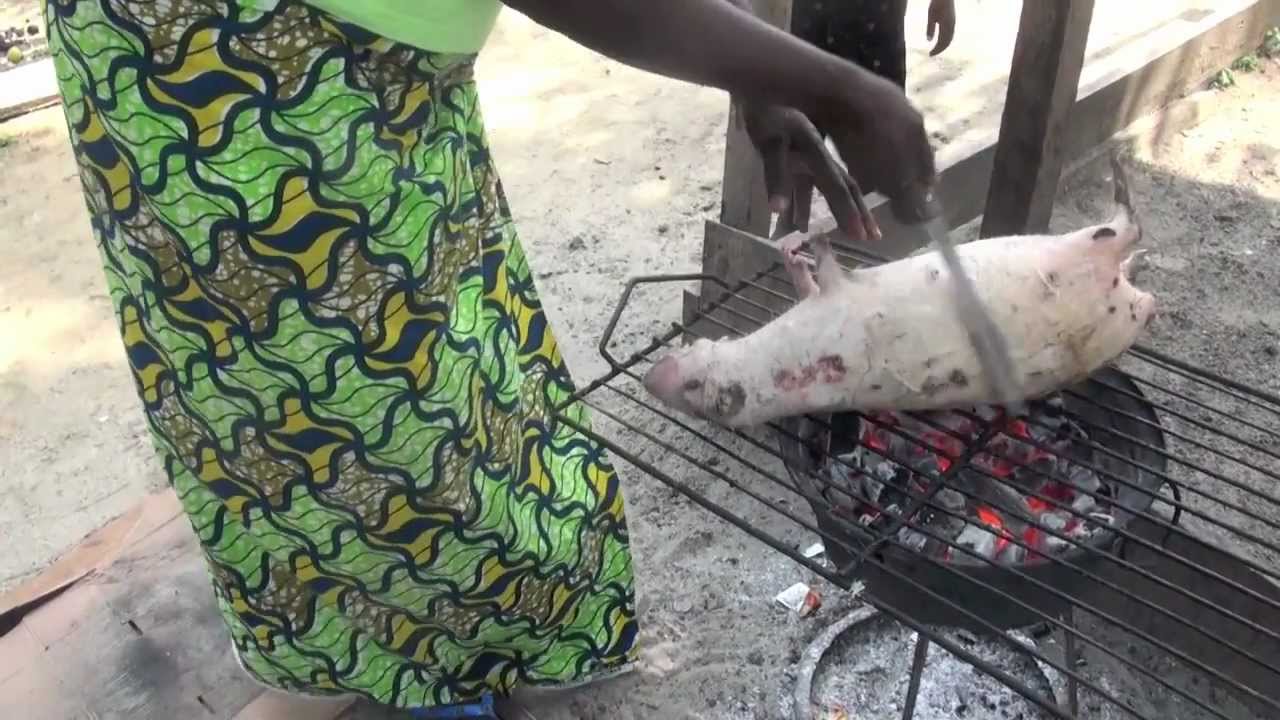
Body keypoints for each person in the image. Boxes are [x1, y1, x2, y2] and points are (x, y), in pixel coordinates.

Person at [43, 0, 937, 717]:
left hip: (367, 52)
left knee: (446, 343)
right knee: (333, 398)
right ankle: (393, 656)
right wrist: (844, 90)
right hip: (231, 61)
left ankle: (463, 630)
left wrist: (754, 68)